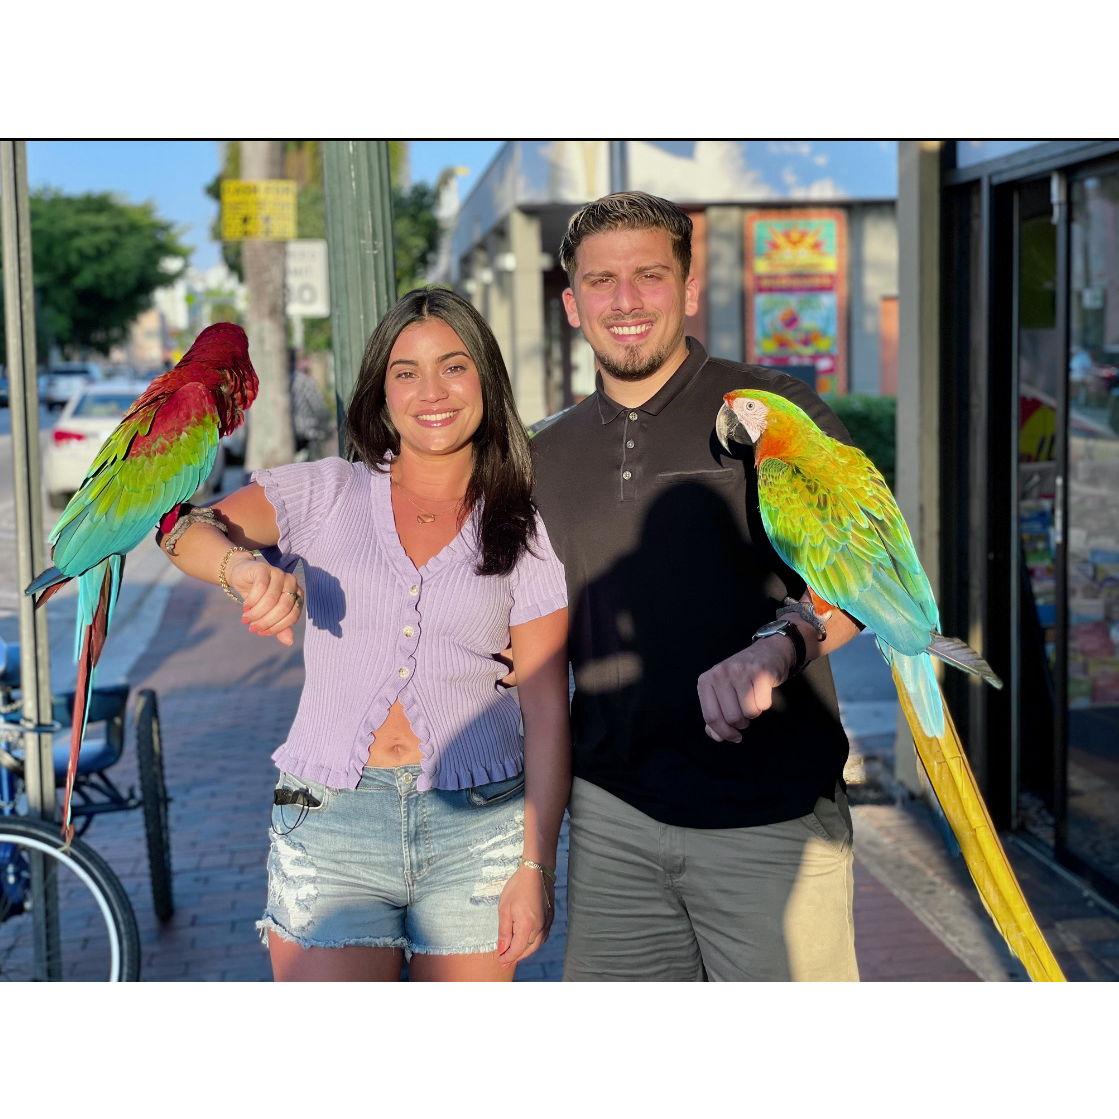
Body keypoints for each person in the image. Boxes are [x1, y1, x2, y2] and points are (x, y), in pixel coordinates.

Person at [163, 290, 570, 981]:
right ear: (381, 393)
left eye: (454, 366)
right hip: (330, 825)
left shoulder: (522, 523)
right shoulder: (326, 493)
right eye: (405, 372)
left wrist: (537, 862)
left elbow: (545, 708)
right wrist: (242, 569)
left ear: (486, 382)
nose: (431, 392)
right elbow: (180, 529)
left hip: (479, 828)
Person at [531, 191, 862, 981]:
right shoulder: (543, 451)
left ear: (686, 288)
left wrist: (779, 648)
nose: (626, 300)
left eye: (648, 275)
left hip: (772, 816)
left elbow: (864, 584)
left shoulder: (771, 413)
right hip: (613, 819)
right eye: (601, 282)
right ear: (573, 304)